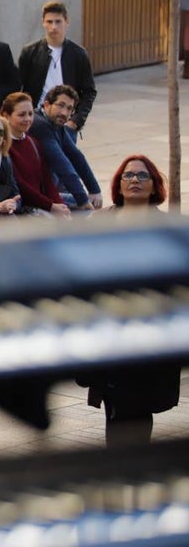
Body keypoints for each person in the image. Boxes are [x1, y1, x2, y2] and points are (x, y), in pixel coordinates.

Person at [81, 155, 180, 447]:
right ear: (118, 185)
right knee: (117, 405)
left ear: (154, 187)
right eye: (128, 176)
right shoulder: (100, 222)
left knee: (139, 407)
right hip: (111, 329)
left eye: (142, 176)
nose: (134, 180)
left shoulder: (168, 227)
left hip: (151, 331)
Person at [18, 0, 97, 134]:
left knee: (66, 155)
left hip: (66, 121)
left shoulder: (78, 54)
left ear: (66, 22)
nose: (53, 27)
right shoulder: (30, 51)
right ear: (43, 22)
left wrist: (76, 121)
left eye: (58, 21)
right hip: (36, 119)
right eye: (49, 22)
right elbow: (19, 87)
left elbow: (89, 92)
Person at [28, 85, 103, 211]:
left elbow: (76, 156)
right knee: (85, 209)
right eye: (60, 105)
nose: (65, 113)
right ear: (46, 105)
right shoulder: (39, 124)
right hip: (34, 194)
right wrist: (83, 200)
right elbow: (61, 163)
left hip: (48, 187)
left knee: (91, 201)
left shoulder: (57, 124)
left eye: (69, 109)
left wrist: (94, 189)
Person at [1, 92, 71, 218]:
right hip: (23, 207)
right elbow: (21, 186)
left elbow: (46, 179)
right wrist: (52, 206)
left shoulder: (33, 142)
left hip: (43, 203)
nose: (27, 119)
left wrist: (59, 205)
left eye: (30, 114)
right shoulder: (3, 147)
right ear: (6, 116)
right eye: (21, 115)